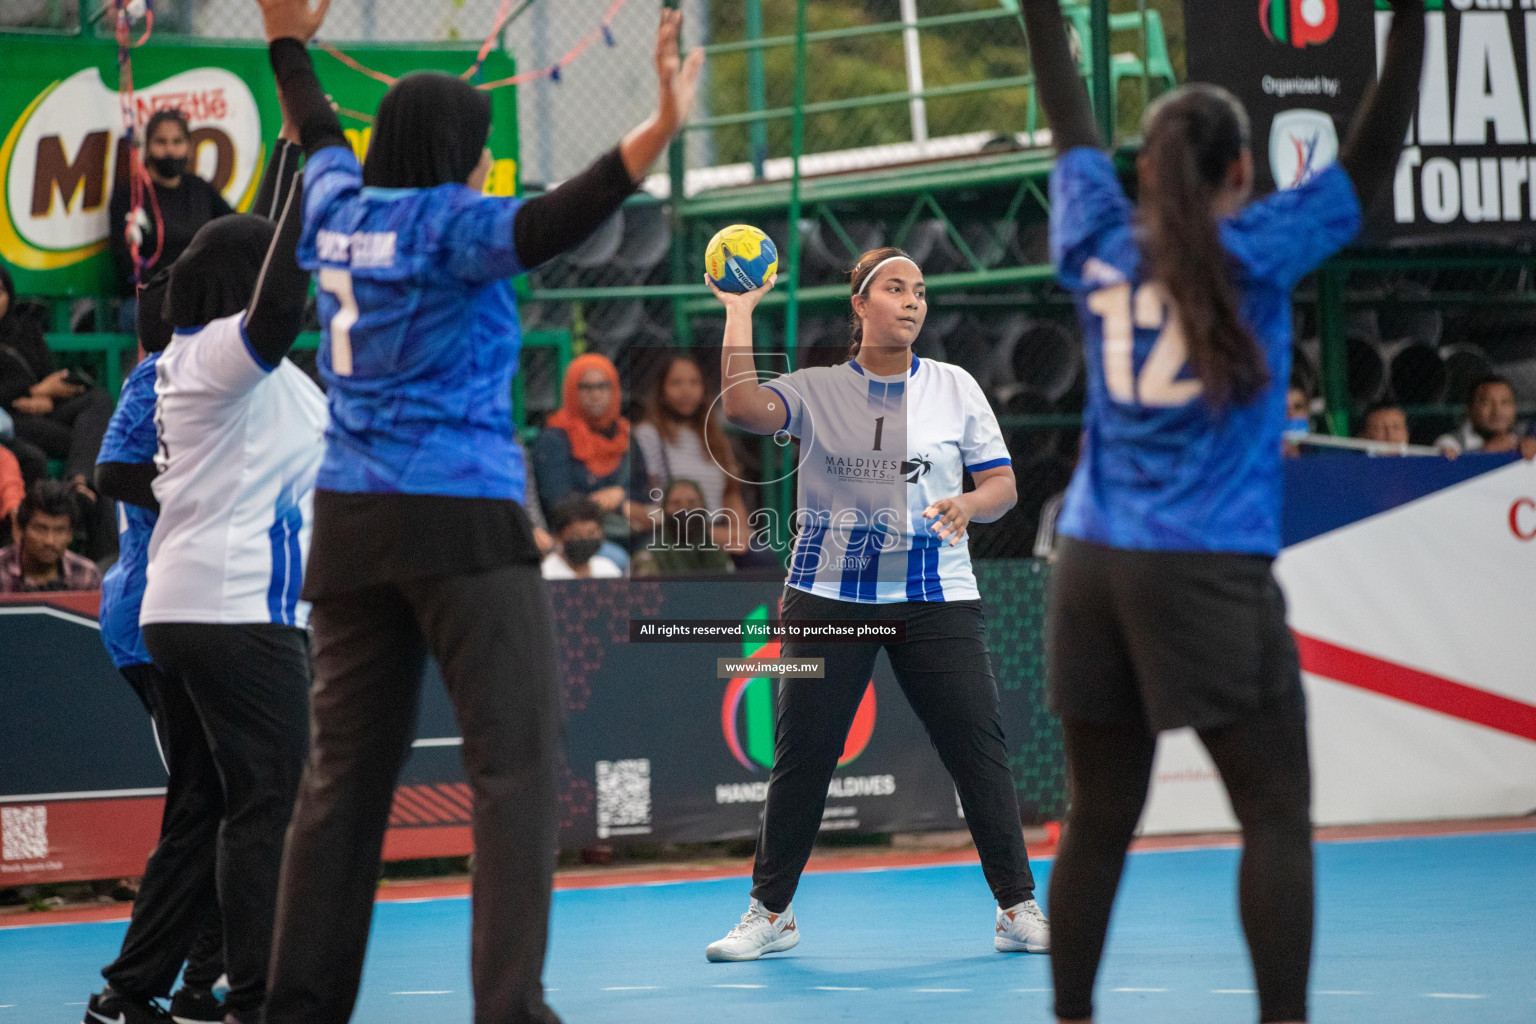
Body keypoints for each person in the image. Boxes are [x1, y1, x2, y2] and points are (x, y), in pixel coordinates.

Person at [254, 0, 701, 1020]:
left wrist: (286, 37)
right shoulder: (452, 225)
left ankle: (296, 1006)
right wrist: (659, 126)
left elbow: (314, 122)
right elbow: (559, 218)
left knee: (340, 786)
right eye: (483, 152)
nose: (487, 169)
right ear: (460, 154)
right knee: (514, 764)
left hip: (352, 523)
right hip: (460, 515)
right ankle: (508, 1006)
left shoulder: (336, 207)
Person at [1018, 0, 1427, 1021]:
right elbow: (1373, 159)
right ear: (1243, 171)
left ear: (1144, 174)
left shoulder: (1098, 240)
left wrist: (1037, 12)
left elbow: (1067, 122)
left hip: (1091, 565)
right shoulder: (1262, 249)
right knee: (1277, 813)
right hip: (1204, 569)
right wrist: (1410, 17)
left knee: (1098, 817)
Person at [704, 246, 1048, 962]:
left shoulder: (956, 387)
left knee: (978, 752)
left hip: (935, 598)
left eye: (920, 290)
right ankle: (771, 914)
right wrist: (739, 311)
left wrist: (968, 504)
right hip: (829, 596)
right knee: (804, 757)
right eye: (895, 288)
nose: (912, 301)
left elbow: (1002, 488)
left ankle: (1017, 909)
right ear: (860, 305)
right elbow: (740, 406)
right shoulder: (821, 390)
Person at [89, 107, 320, 1024]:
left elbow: (254, 250)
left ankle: (145, 990)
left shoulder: (241, 372)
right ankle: (248, 996)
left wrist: (297, 143)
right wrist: (326, 165)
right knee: (270, 805)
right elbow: (276, 280)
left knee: (213, 805)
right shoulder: (221, 357)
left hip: (193, 612)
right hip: (231, 616)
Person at [109, 108, 235, 329]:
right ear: (147, 147)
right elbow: (124, 261)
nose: (170, 150)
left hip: (199, 299)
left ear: (188, 146)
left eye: (177, 142)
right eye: (161, 142)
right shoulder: (130, 194)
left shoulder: (200, 189)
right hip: (149, 302)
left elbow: (234, 228)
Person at [0, 264, 115, 496]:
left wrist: (49, 396)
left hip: (45, 409)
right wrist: (33, 392)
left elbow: (46, 373)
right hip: (10, 419)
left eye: (0, 291)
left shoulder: (25, 330)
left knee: (98, 400)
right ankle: (80, 488)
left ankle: (80, 480)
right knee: (92, 443)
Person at [532, 352, 651, 565]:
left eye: (602, 386)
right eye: (585, 387)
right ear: (570, 391)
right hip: (580, 540)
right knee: (615, 559)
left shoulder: (626, 437)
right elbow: (557, 504)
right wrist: (606, 504)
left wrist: (625, 503)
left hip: (632, 532)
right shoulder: (554, 440)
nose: (595, 394)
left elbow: (646, 496)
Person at [633, 353, 750, 553]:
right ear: (661, 391)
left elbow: (731, 495)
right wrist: (709, 535)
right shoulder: (649, 435)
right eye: (676, 383)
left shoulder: (715, 436)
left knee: (762, 559)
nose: (686, 391)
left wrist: (740, 534)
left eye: (694, 382)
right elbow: (648, 500)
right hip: (673, 532)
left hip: (719, 532)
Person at [0, 479, 101, 591]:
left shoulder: (87, 575)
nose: (49, 541)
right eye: (40, 529)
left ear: (70, 534)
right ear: (21, 529)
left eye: (60, 530)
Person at [632, 477, 735, 577]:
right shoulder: (649, 556)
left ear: (703, 506)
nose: (684, 509)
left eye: (692, 503)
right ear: (664, 508)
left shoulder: (718, 553)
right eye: (676, 503)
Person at [1435, 375, 1536, 459]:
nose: (1497, 411)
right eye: (1486, 403)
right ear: (1470, 409)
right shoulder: (1449, 443)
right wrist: (1485, 452)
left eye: (1505, 402)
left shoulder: (1524, 439)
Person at [540, 496, 623, 580]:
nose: (585, 539)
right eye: (576, 536)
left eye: (591, 534)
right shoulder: (546, 573)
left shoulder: (607, 568)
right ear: (557, 537)